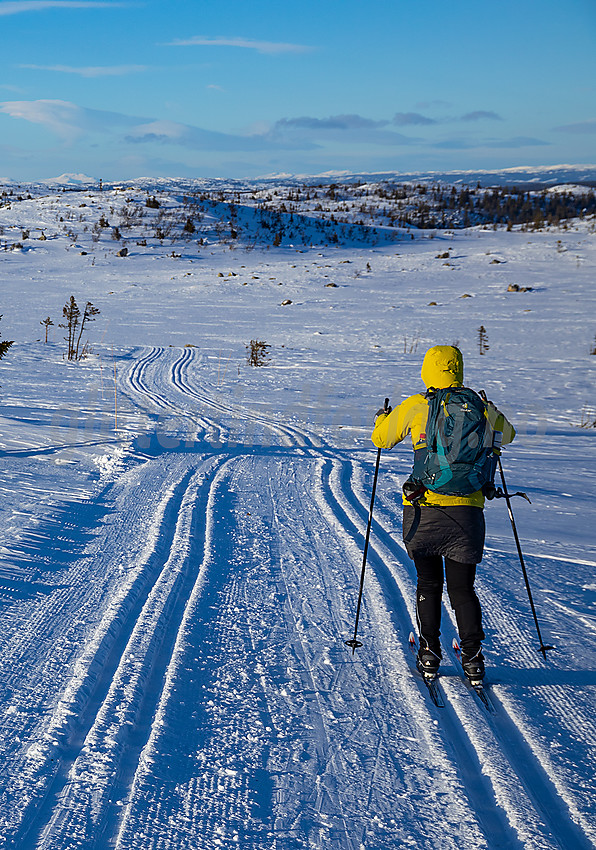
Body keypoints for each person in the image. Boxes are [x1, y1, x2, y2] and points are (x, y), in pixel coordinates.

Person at [371, 345, 515, 682]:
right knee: (463, 589)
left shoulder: (418, 404)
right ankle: (473, 657)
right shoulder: (479, 406)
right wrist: (489, 411)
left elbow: (381, 438)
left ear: (427, 370)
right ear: (458, 370)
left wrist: (382, 418)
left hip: (424, 510)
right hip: (468, 512)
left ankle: (429, 652)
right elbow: (507, 435)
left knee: (428, 582)